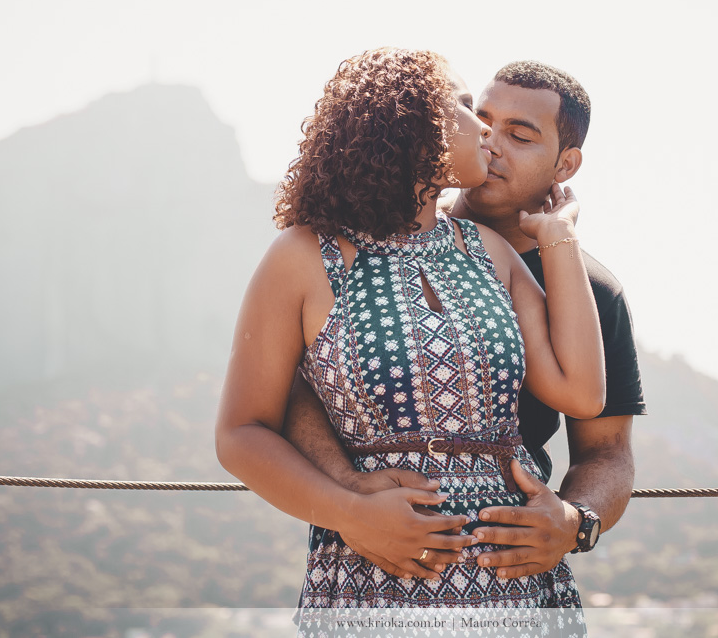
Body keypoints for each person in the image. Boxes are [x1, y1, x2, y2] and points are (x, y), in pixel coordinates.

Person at [214, 47, 606, 619]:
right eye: (468, 110)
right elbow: (241, 433)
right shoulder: (303, 255)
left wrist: (558, 237)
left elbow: (581, 391)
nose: (485, 133)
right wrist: (347, 511)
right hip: (377, 577)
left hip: (516, 585)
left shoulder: (489, 252)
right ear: (411, 127)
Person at [284, 59, 646, 583]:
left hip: (508, 575)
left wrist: (573, 522)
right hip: (372, 557)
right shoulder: (356, 244)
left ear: (565, 166)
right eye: (481, 117)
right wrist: (346, 497)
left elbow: (607, 452)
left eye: (519, 135)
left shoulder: (594, 293)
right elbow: (289, 392)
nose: (490, 140)